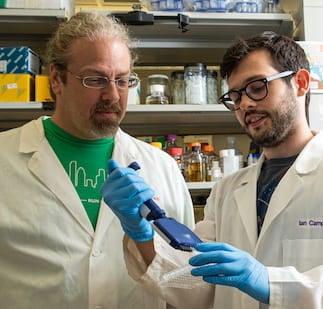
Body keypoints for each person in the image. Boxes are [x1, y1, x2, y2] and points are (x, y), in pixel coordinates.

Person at [100, 31, 323, 309]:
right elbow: (196, 286)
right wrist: (142, 237)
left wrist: (269, 282)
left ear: (300, 83)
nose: (245, 104)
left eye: (257, 87)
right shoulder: (226, 191)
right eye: (235, 95)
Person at [0, 12, 195, 309]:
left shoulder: (162, 167)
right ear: (56, 79)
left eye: (122, 80)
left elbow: (189, 283)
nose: (112, 94)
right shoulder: (5, 157)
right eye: (96, 79)